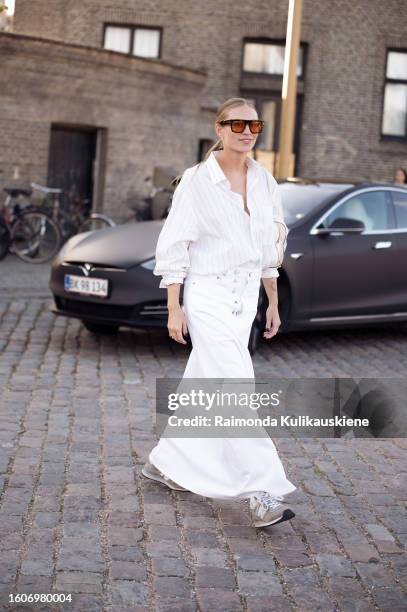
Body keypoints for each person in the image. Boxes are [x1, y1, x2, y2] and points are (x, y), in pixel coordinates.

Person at [142, 97, 297, 528]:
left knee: (204, 384)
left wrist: (273, 301)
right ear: (219, 128)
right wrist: (174, 308)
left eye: (254, 125)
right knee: (235, 386)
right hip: (207, 294)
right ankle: (260, 491)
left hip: (246, 298)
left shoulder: (265, 182)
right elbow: (175, 245)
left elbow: (270, 247)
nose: (247, 132)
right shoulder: (196, 181)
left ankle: (165, 462)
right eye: (237, 124)